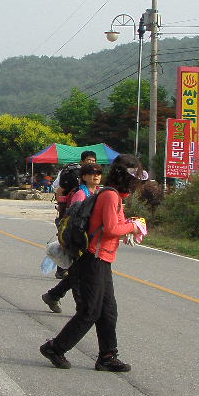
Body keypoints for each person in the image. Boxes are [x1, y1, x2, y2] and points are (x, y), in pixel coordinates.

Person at [39, 154, 147, 372]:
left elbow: (113, 225)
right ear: (125, 177)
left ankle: (107, 356)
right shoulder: (110, 196)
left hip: (102, 259)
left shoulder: (114, 196)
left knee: (108, 310)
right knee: (90, 311)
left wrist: (128, 224)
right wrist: (133, 227)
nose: (137, 184)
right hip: (92, 259)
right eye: (135, 179)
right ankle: (55, 348)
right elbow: (111, 229)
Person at [41, 163, 103, 313]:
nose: (95, 176)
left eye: (98, 173)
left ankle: (53, 295)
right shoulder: (81, 194)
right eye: (91, 173)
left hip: (92, 240)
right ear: (84, 176)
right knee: (80, 274)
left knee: (78, 271)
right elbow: (75, 219)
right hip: (80, 240)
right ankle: (82, 308)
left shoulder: (99, 192)